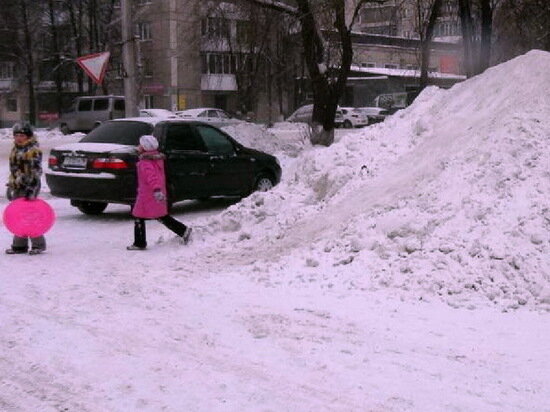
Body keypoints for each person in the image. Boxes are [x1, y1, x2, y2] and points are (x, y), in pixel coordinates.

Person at [127, 134, 192, 250]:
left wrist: (156, 190)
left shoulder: (145, 163)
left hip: (148, 195)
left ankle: (140, 242)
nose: (138, 147)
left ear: (145, 147)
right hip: (152, 193)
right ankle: (182, 230)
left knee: (146, 216)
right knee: (157, 216)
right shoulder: (157, 159)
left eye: (140, 145)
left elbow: (152, 177)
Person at [5, 122, 46, 255]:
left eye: (22, 135)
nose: (18, 138)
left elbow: (35, 171)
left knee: (30, 215)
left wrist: (31, 189)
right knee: (18, 216)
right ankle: (19, 245)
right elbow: (14, 170)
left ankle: (38, 244)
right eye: (16, 135)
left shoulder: (32, 150)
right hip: (18, 185)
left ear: (28, 136)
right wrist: (12, 184)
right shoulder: (16, 149)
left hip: (30, 185)